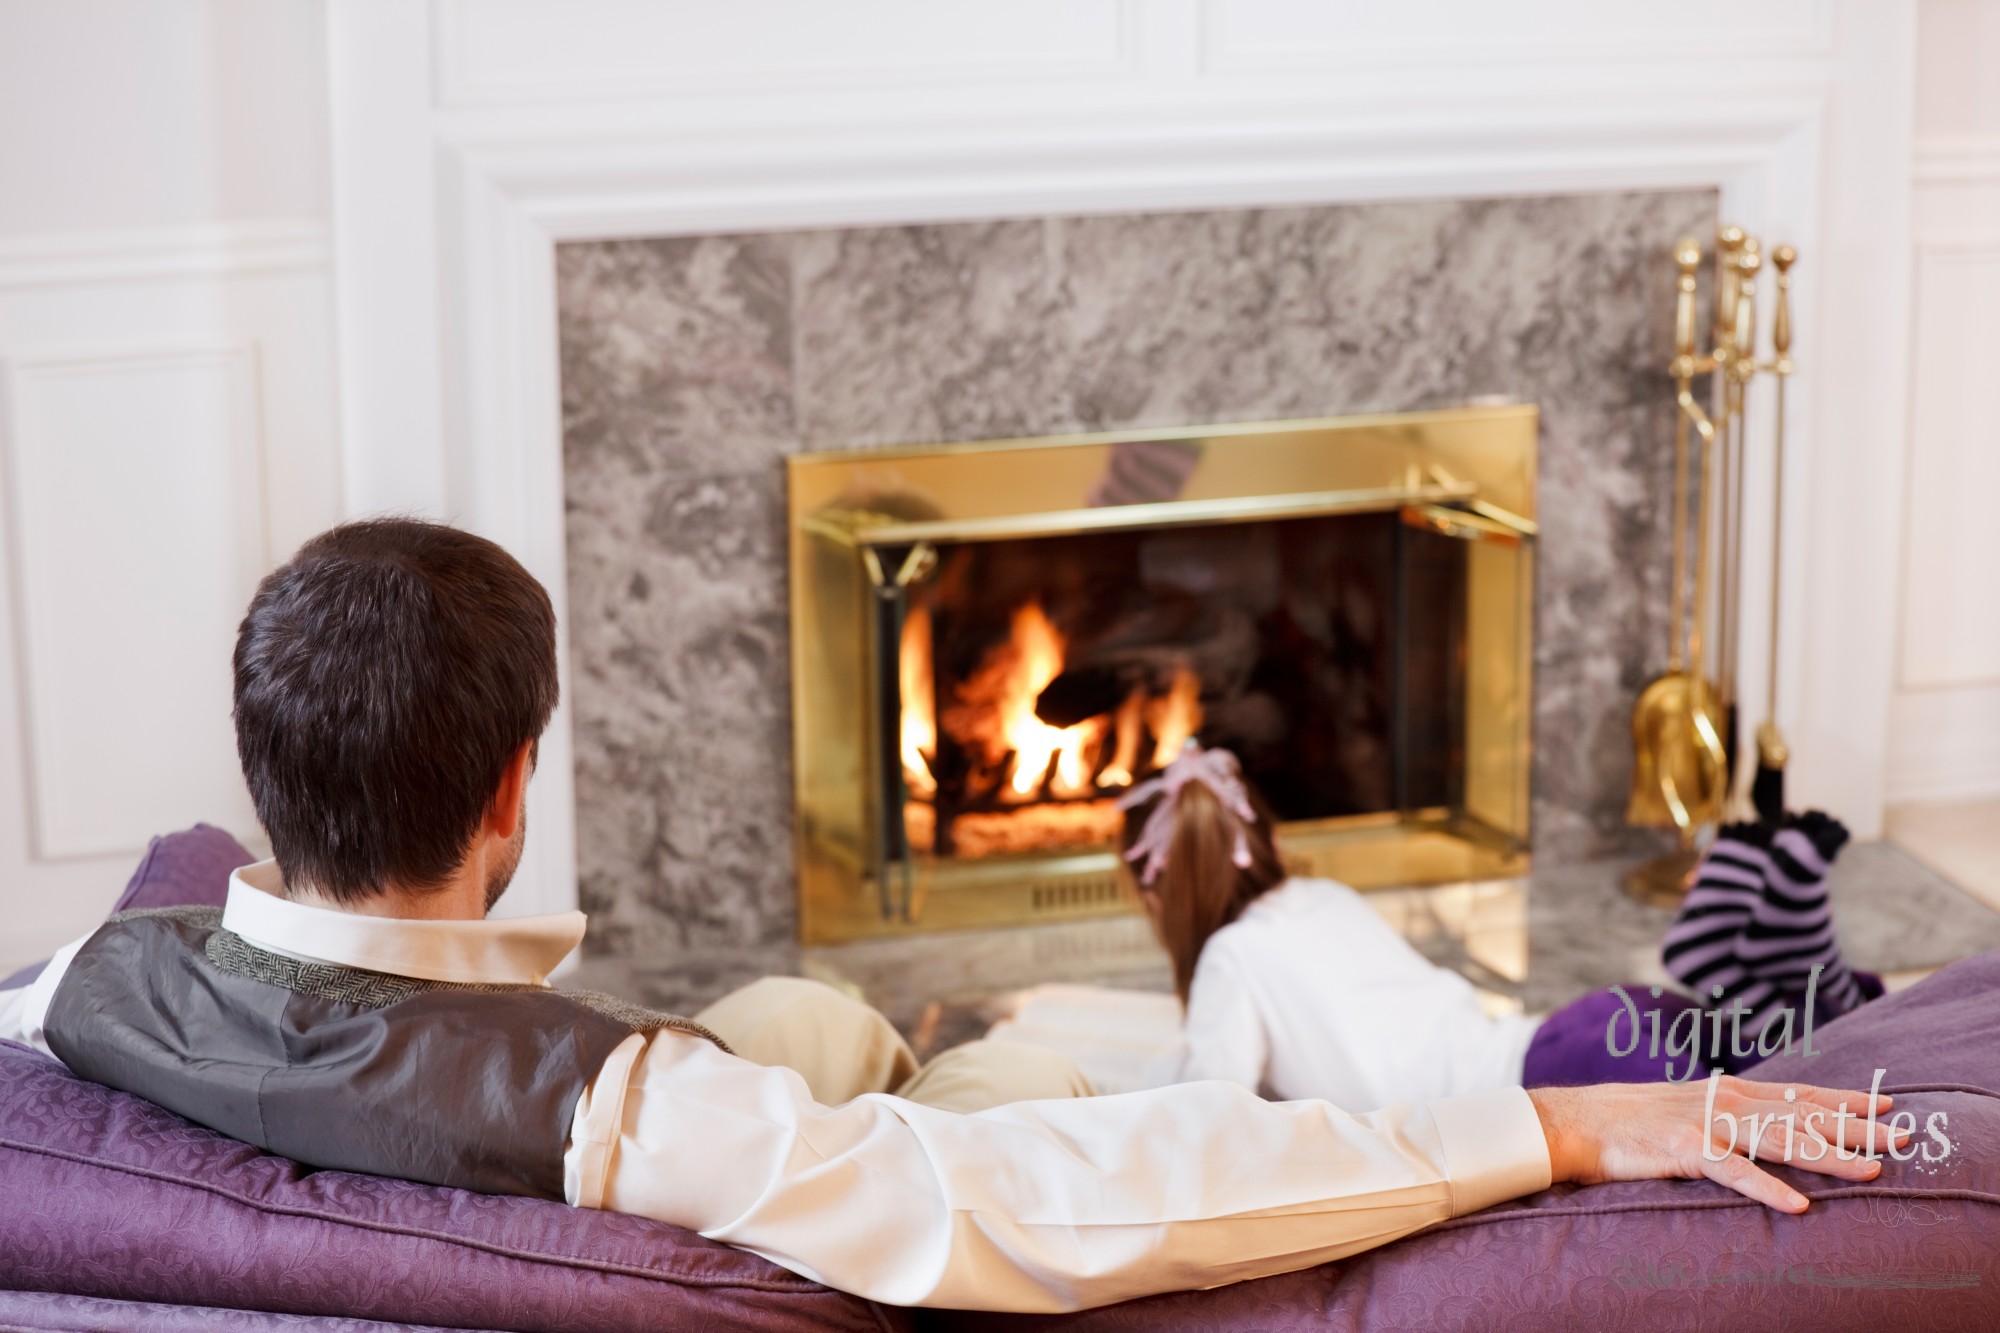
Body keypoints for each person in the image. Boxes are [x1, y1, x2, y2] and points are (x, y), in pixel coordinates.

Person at [0, 519, 1901, 1315]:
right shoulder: (636, 1111)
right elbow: (1060, 1201)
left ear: (266, 772)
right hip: (790, 1123)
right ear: (511, 787)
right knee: (1019, 1071)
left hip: (745, 1059)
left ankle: (924, 1027)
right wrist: (1547, 1126)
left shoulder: (79, 983)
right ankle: (1011, 1028)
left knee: (812, 1012)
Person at [1117, 741, 1881, 1112]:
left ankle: (1783, 968)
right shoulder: (1323, 897)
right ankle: (1786, 954)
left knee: (1783, 1098)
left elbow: (1205, 1108)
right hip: (1585, 1027)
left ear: (1162, 898)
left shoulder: (1229, 958)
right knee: (1795, 1051)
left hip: (1556, 1084)